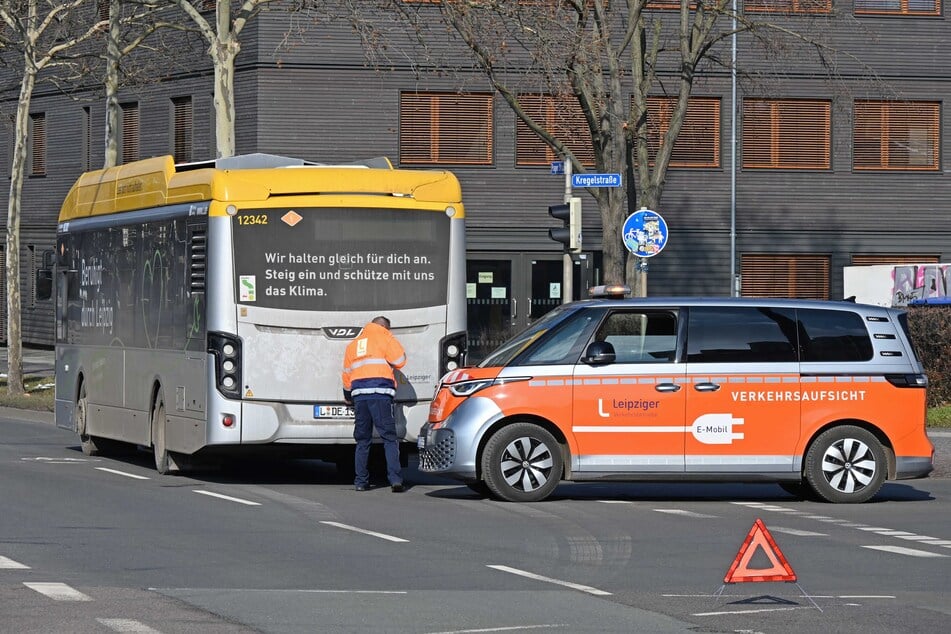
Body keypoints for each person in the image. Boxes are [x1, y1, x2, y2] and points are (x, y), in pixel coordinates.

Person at [341, 316, 407, 492]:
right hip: (380, 393)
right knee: (389, 438)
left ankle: (361, 482)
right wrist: (391, 338)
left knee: (362, 440)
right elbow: (400, 360)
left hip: (360, 396)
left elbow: (347, 374)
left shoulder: (354, 344)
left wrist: (347, 395)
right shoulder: (385, 337)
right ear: (385, 327)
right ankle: (395, 480)